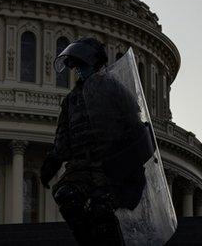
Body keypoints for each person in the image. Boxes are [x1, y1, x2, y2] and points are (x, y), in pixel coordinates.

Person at [40, 38, 154, 245]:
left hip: (109, 165)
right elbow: (63, 138)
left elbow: (134, 124)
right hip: (81, 167)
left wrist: (132, 162)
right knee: (67, 197)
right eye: (76, 67)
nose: (79, 71)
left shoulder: (114, 89)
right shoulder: (71, 100)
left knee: (101, 208)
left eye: (82, 66)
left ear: (95, 64)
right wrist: (52, 161)